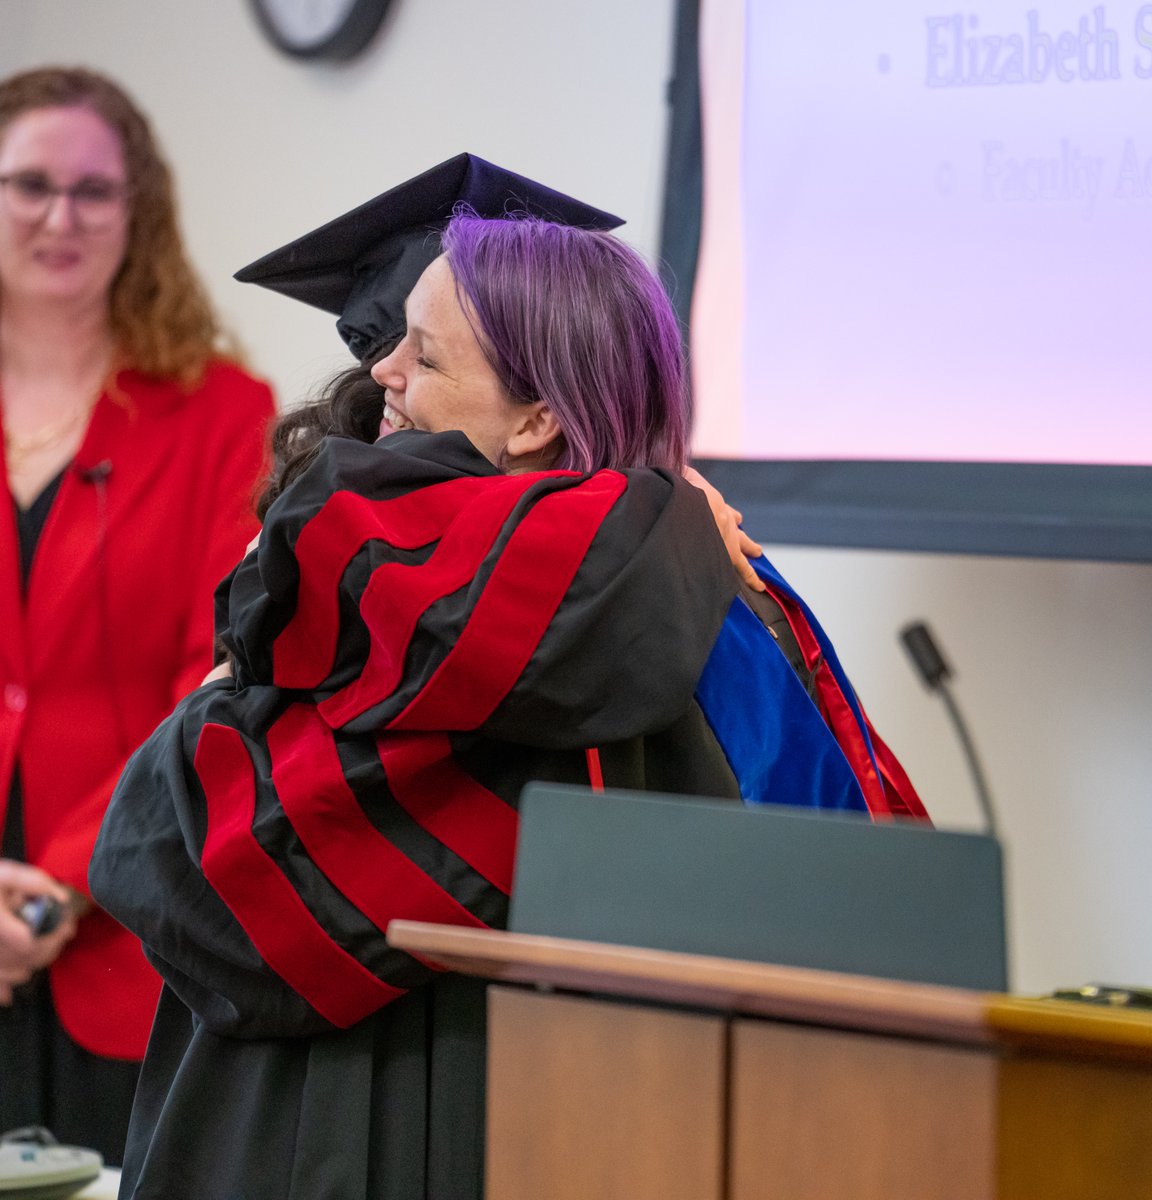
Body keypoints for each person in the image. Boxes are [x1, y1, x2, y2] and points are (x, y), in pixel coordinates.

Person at [91, 163, 924, 1200]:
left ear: (537, 418)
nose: (383, 370)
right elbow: (849, 938)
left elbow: (154, 852)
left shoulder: (340, 607)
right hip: (585, 1137)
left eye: (422, 350)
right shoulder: (712, 618)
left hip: (278, 1141)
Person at [0, 65, 274, 1164]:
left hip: (120, 922)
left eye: (94, 191)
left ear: (139, 211)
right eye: (28, 184)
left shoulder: (223, 416)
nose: (60, 217)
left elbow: (212, 677)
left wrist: (51, 890)